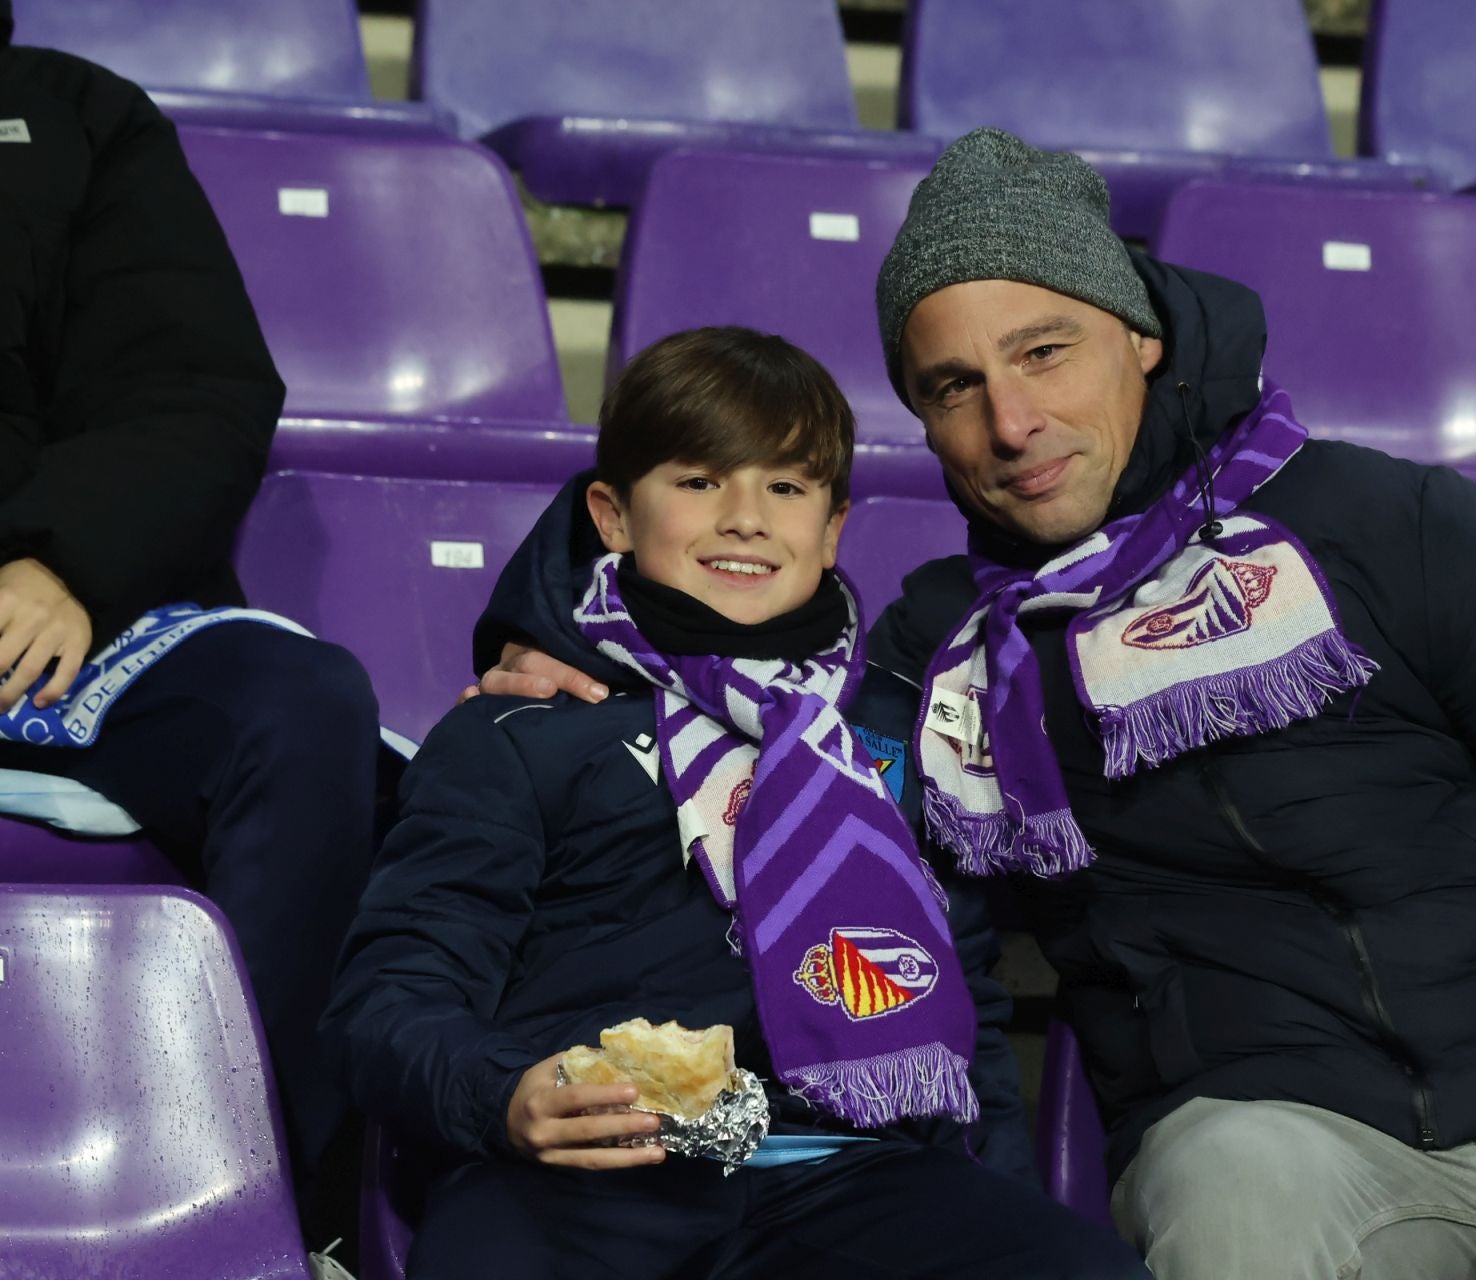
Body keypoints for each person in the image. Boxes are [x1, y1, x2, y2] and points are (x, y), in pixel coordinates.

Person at [477, 132, 1476, 1280]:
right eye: (955, 387)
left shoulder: (1389, 524)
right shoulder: (941, 652)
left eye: (1045, 351)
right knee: (1237, 1202)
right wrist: (547, 627)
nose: (1011, 423)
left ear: (1142, 333)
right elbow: (724, 620)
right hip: (1274, 1140)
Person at [328, 326, 1150, 1279]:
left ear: (833, 529)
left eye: (787, 488)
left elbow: (962, 1008)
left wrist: (1001, 1195)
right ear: (612, 515)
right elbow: (391, 999)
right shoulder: (525, 729)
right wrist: (504, 1096)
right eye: (699, 480)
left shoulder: (898, 731)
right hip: (582, 1178)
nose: (746, 519)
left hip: (853, 1175)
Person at [0, 5, 378, 1216]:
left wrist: (61, 559)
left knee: (303, 705)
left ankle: (267, 1204)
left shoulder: (77, 115)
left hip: (63, 609)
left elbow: (197, 380)